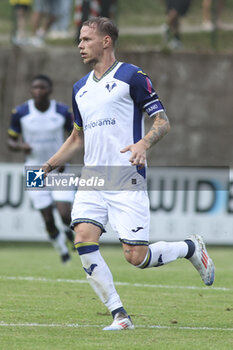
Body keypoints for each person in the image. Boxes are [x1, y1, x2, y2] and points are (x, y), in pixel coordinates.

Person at [42, 17, 215, 330]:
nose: (80, 45)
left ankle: (190, 248)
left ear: (106, 41)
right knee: (82, 237)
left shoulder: (131, 76)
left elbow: (162, 122)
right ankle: (119, 315)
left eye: (86, 39)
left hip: (126, 177)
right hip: (93, 179)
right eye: (79, 40)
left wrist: (143, 143)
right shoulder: (79, 89)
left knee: (136, 257)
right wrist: (50, 164)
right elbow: (77, 138)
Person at [7, 75, 75, 264]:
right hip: (35, 171)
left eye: (42, 88)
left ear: (50, 90)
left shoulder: (61, 111)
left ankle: (70, 232)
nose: (38, 91)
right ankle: (63, 252)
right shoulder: (20, 112)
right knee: (47, 218)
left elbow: (74, 136)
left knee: (64, 214)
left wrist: (65, 157)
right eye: (35, 88)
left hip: (58, 167)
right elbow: (10, 140)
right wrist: (21, 147)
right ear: (30, 91)